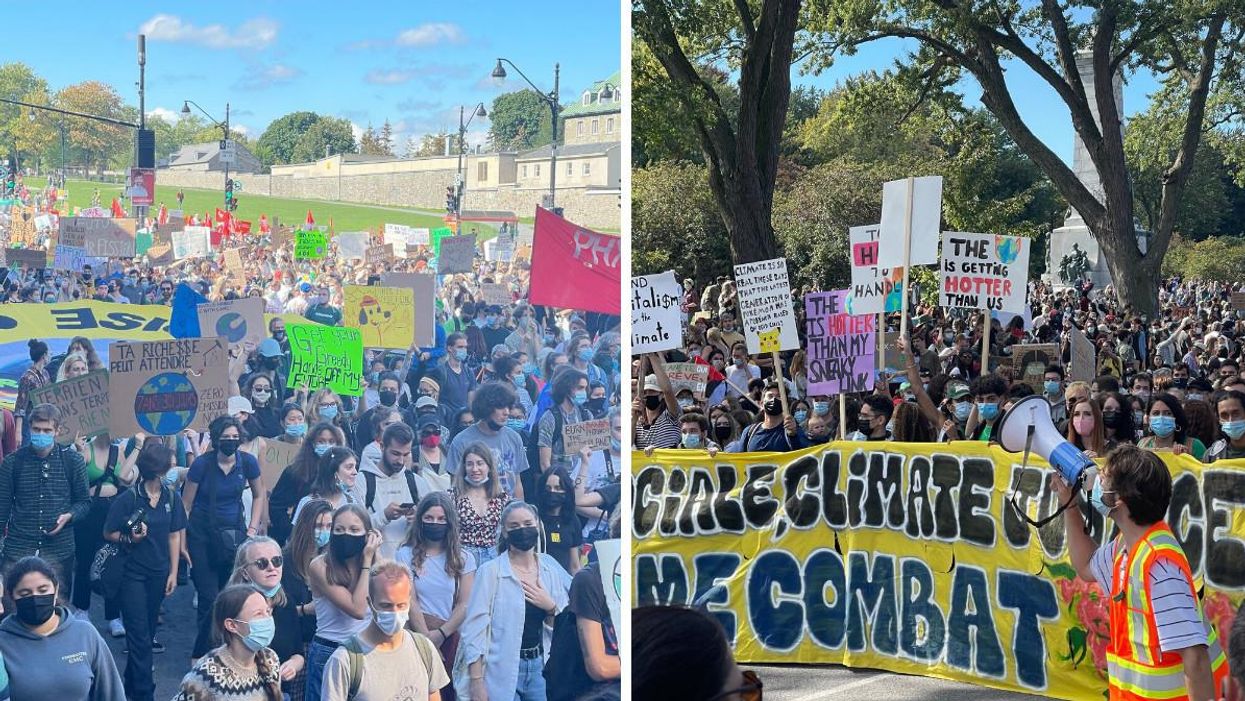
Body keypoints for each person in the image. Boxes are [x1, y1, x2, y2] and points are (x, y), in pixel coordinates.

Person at [1053, 445, 1227, 699]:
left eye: (1103, 479)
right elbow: (1086, 565)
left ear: (1120, 498)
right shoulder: (1127, 546)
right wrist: (1069, 506)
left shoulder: (1159, 565)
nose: (1096, 483)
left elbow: (1195, 658)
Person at [454, 501, 572, 701]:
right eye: (514, 526)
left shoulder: (549, 570)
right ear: (505, 532)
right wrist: (476, 681)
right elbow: (474, 630)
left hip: (540, 668)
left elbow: (560, 625)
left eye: (527, 524)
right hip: (499, 669)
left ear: (537, 525)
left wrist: (550, 607)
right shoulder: (490, 572)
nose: (523, 530)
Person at [103, 444, 184, 701]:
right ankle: (145, 694)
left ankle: (127, 689)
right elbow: (108, 533)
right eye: (168, 466)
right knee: (139, 638)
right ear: (156, 469)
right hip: (131, 574)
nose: (172, 471)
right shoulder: (128, 498)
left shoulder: (172, 498)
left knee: (146, 634)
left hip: (158, 574)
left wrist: (173, 571)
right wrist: (131, 540)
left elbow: (174, 535)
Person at [183, 415, 266, 660]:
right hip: (202, 536)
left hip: (234, 536)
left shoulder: (248, 462)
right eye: (226, 438)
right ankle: (204, 654)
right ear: (216, 440)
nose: (231, 442)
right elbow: (185, 505)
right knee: (208, 598)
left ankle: (229, 648)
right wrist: (183, 542)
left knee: (231, 595)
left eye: (235, 438)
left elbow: (260, 495)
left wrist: (252, 529)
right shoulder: (201, 465)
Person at [0, 556, 125, 700]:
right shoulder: (3, 642)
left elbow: (112, 694)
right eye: (25, 594)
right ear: (11, 596)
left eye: (43, 590)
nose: (35, 598)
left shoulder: (85, 634)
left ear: (56, 588)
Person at [322, 559, 450, 701]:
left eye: (401, 605)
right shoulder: (345, 661)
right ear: (370, 604)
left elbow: (433, 696)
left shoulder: (424, 649)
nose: (394, 613)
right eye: (386, 606)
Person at [0, 403, 90, 584]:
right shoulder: (12, 463)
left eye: (47, 430)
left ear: (57, 431)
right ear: (29, 428)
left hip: (59, 549)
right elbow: (2, 508)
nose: (41, 434)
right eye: (36, 429)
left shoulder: (73, 461)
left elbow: (84, 502)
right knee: (13, 604)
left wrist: (70, 516)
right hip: (19, 547)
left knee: (57, 605)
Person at [397, 491, 476, 696]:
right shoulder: (404, 554)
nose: (435, 523)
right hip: (415, 634)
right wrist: (426, 639)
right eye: (429, 518)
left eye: (441, 519)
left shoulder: (464, 558)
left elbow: (464, 604)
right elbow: (409, 598)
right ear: (420, 520)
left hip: (449, 636)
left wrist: (441, 635)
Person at [305, 504, 381, 701]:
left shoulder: (375, 563)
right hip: (329, 650)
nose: (346, 534)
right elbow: (357, 608)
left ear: (368, 535)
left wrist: (374, 557)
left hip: (366, 649)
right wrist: (367, 561)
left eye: (354, 530)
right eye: (339, 529)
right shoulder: (320, 565)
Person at [72, 430, 137, 637]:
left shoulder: (119, 452)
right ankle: (82, 609)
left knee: (113, 562)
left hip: (113, 509)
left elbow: (127, 479)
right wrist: (79, 451)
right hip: (91, 511)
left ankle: (113, 616)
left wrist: (138, 446)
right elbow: (76, 477)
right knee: (85, 559)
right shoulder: (87, 449)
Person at [173, 584, 283, 701]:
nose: (267, 619)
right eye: (258, 614)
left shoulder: (270, 659)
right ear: (232, 625)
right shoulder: (207, 676)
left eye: (268, 611)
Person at [228, 537, 307, 699]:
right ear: (244, 572)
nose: (272, 567)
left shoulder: (286, 604)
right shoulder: (229, 606)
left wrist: (292, 665)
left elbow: (298, 653)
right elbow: (200, 657)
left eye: (277, 561)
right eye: (261, 563)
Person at [445, 382, 530, 500]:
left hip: (508, 511)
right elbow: (456, 487)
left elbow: (517, 483)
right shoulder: (461, 441)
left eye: (508, 407)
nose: (506, 412)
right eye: (500, 407)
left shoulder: (514, 438)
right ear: (486, 408)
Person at [351, 423, 425, 558]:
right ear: (382, 447)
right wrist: (384, 515)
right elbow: (353, 528)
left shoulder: (415, 481)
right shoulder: (361, 481)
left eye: (406, 454)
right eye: (395, 454)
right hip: (374, 565)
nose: (400, 461)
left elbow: (434, 523)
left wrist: (418, 520)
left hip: (410, 566)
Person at [269, 422, 344, 545]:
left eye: (331, 441)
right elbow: (276, 507)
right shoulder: (294, 472)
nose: (327, 445)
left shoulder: (342, 473)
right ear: (312, 444)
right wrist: (293, 533)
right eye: (321, 441)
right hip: (301, 541)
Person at [452, 443, 512, 566]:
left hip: (493, 558)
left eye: (480, 463)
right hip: (463, 558)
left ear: (489, 467)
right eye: (470, 464)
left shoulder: (501, 497)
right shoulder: (453, 496)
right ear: (464, 467)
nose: (475, 469)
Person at [726, 381, 807, 452]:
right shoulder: (749, 432)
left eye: (779, 396)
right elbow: (738, 459)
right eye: (770, 396)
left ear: (786, 403)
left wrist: (793, 436)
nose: (774, 399)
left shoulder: (793, 431)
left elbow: (803, 457)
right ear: (761, 403)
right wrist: (716, 454)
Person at [535, 466, 583, 575]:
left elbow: (574, 565)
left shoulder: (572, 520)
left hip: (562, 582)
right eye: (548, 488)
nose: (552, 492)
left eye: (558, 488)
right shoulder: (533, 518)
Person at [293, 446, 359, 522]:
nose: (355, 472)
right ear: (333, 470)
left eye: (355, 467)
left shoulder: (352, 502)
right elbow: (298, 533)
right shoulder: (307, 503)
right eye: (349, 467)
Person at [1139, 393, 1206, 459]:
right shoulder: (1142, 444)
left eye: (1168, 413)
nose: (1161, 417)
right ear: (1149, 419)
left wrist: (1187, 458)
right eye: (1156, 413)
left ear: (1176, 417)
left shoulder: (1195, 446)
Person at [13, 340, 50, 441]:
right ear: (44, 355)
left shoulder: (45, 374)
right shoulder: (27, 378)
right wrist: (18, 432)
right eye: (49, 353)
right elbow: (21, 406)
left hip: (44, 420)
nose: (50, 355)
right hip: (29, 423)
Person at [1205, 389, 1245, 462]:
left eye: (1236, 413)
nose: (1231, 420)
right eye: (1224, 415)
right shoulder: (1213, 455)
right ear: (1219, 420)